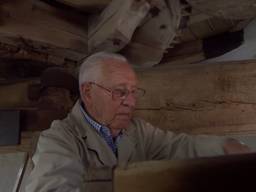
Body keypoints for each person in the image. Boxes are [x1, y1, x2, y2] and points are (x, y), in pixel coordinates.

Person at [26, 52, 250, 192]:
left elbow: (178, 146)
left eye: (133, 92)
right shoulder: (59, 139)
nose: (131, 102)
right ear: (88, 92)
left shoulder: (137, 130)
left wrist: (225, 146)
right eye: (120, 92)